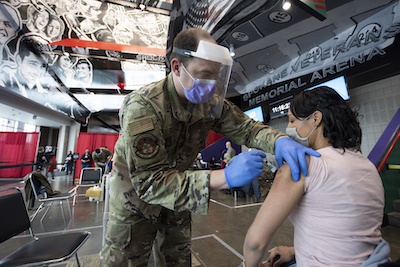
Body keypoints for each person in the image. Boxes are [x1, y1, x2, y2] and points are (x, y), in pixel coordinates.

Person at [99, 28, 320, 266]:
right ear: (176, 67)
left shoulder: (209, 103)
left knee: (178, 259)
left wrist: (279, 140)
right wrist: (224, 177)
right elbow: (150, 182)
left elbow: (246, 128)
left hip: (180, 196)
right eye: (204, 75)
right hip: (135, 204)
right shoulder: (142, 107)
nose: (210, 86)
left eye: (215, 76)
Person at [242, 86, 388, 267]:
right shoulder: (366, 164)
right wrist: (295, 251)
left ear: (316, 119)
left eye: (292, 120)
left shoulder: (301, 165)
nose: (288, 128)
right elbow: (346, 233)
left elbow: (254, 243)